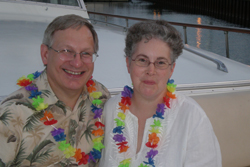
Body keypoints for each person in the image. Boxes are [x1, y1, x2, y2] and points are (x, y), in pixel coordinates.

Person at [99, 20, 222, 167]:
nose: (151, 71)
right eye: (142, 60)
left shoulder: (192, 118)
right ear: (128, 64)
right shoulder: (110, 110)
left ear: (172, 69)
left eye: (161, 62)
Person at [0, 14, 110, 166]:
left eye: (86, 53)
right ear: (45, 54)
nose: (77, 63)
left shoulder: (101, 98)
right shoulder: (11, 115)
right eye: (66, 50)